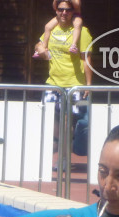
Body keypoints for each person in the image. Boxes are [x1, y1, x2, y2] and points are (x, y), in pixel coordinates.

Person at [33, 0, 93, 156]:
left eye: (68, 10)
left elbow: (86, 59)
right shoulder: (51, 28)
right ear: (56, 10)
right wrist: (41, 50)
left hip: (74, 84)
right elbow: (39, 45)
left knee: (70, 122)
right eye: (61, 9)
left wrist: (88, 84)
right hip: (53, 83)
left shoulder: (82, 31)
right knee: (49, 118)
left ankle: (65, 157)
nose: (64, 12)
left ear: (73, 12)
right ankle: (57, 147)